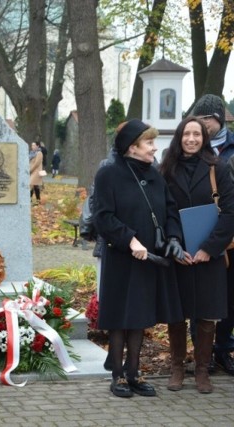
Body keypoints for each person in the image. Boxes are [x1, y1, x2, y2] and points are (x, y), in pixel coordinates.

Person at [93, 119, 184, 398]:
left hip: (149, 259)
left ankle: (134, 373)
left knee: (139, 317)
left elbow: (170, 210)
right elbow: (104, 217)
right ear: (133, 147)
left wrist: (173, 238)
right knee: (121, 317)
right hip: (122, 258)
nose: (155, 148)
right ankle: (117, 376)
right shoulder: (108, 174)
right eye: (149, 143)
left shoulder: (155, 174)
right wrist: (130, 239)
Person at [159, 116, 234, 393]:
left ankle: (202, 369)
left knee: (206, 315)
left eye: (197, 134)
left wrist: (208, 249)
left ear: (204, 138)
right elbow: (163, 210)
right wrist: (174, 243)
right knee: (177, 314)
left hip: (208, 255)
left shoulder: (219, 168)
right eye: (186, 134)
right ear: (179, 138)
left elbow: (229, 212)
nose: (191, 139)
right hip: (178, 254)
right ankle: (177, 367)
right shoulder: (167, 168)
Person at [191, 94, 234, 375]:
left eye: (205, 119)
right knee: (200, 296)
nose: (201, 125)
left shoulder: (231, 149)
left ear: (216, 118)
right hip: (199, 232)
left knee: (230, 298)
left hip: (231, 236)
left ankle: (222, 350)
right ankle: (200, 355)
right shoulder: (190, 147)